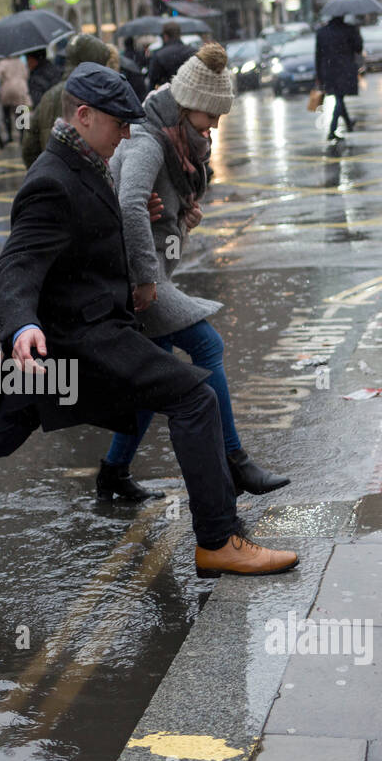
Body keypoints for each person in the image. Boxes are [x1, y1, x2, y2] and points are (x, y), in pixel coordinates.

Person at [0, 61, 298, 577]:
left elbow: (94, 231)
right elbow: (16, 263)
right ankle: (217, 540)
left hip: (64, 340)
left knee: (5, 428)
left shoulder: (88, 164)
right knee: (194, 398)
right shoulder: (51, 180)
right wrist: (21, 326)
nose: (126, 133)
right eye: (119, 123)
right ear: (84, 115)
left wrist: (152, 218)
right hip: (80, 337)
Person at [103, 43, 288, 501]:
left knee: (155, 372)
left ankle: (113, 473)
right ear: (187, 107)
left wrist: (181, 222)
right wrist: (146, 280)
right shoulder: (148, 141)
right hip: (136, 282)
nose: (215, 126)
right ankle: (234, 459)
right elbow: (128, 204)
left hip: (148, 277)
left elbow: (154, 213)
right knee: (208, 343)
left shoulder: (175, 140)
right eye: (210, 116)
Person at [20, 33, 117, 169]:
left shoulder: (48, 96)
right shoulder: (98, 94)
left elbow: (29, 146)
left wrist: (43, 172)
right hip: (88, 180)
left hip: (53, 175)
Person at [315, 14, 363, 140]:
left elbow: (318, 55)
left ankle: (348, 123)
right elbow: (358, 48)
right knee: (339, 98)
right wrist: (357, 32)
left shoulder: (322, 32)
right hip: (344, 69)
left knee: (338, 97)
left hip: (328, 70)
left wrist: (319, 75)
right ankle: (332, 130)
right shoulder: (349, 30)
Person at [147, 21, 195, 88]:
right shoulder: (192, 51)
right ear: (179, 34)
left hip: (167, 94)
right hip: (188, 92)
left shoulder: (159, 55)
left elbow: (153, 79)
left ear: (165, 36)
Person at [0, 54, 29, 143]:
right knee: (20, 112)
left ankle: (9, 135)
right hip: (20, 88)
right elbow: (26, 74)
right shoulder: (21, 62)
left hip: (7, 88)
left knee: (6, 113)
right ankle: (22, 135)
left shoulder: (2, 63)